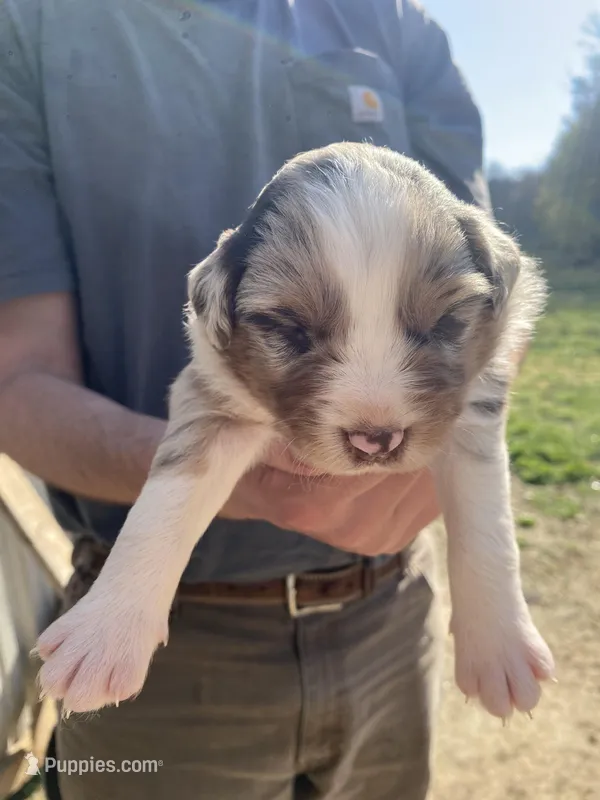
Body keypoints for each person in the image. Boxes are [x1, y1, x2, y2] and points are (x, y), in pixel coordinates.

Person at [0, 1, 492, 798]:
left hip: (393, 612)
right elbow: (16, 380)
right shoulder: (27, 31)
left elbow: (491, 300)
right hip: (167, 641)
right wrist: (249, 475)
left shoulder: (394, 21)